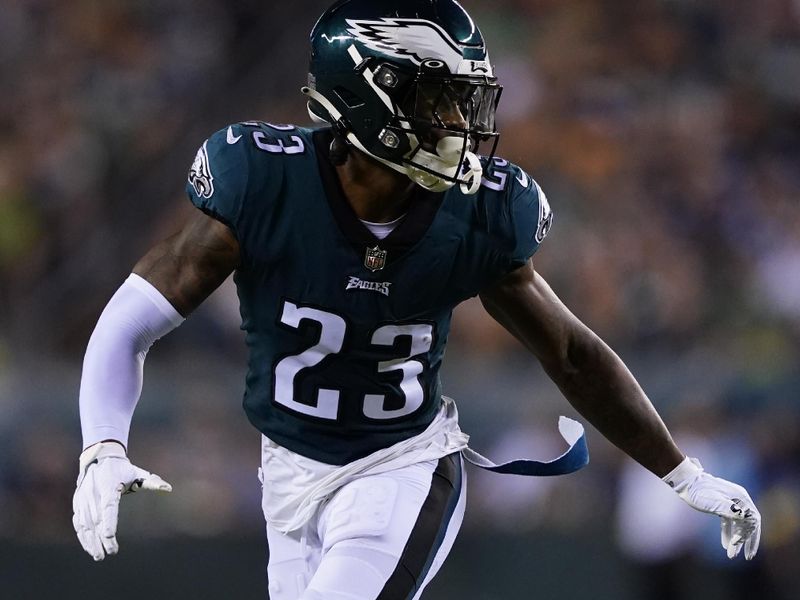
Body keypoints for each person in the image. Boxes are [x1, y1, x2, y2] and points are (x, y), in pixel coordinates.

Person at [72, 1, 762, 598]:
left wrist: (680, 472)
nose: (461, 120)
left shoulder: (477, 216)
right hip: (285, 473)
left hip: (401, 469)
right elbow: (132, 320)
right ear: (369, 96)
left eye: (463, 99)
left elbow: (573, 354)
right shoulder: (263, 184)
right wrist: (101, 445)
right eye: (440, 99)